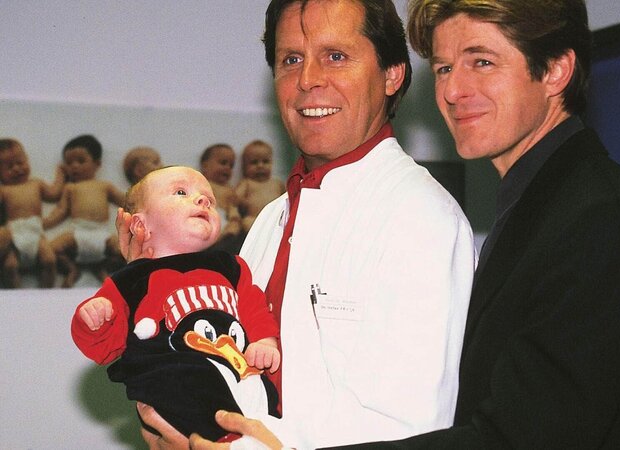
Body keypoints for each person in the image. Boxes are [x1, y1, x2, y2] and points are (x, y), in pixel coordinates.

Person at [188, 0, 620, 449]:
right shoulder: (540, 211)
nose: (454, 90)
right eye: (445, 68)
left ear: (556, 70)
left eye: (482, 62)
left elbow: (517, 439)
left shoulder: (599, 220)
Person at [130, 0, 474, 448]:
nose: (308, 79)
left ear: (393, 74)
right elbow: (223, 365)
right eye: (291, 60)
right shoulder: (271, 220)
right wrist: (145, 282)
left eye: (336, 56)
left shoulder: (422, 219)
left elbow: (410, 429)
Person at [71, 166, 281, 442]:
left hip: (236, 368)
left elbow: (254, 307)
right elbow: (103, 348)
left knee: (265, 394)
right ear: (140, 225)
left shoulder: (231, 266)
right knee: (185, 377)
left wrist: (265, 342)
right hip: (174, 376)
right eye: (181, 192)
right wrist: (93, 317)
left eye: (210, 200)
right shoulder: (130, 280)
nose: (203, 200)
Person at [45, 134, 127, 287]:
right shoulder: (70, 188)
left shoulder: (105, 186)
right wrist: (45, 223)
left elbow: (124, 200)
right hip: (77, 232)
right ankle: (71, 269)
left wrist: (141, 205)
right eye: (69, 163)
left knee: (128, 252)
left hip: (102, 233)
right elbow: (61, 210)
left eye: (81, 161)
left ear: (97, 164)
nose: (74, 166)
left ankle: (103, 267)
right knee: (50, 251)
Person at [0, 138, 65, 288]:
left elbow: (54, 194)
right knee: (9, 266)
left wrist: (61, 176)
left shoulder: (36, 184)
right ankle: (14, 294)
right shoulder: (4, 190)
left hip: (36, 232)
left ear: (27, 160)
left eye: (20, 163)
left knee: (49, 260)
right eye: (9, 167)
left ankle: (46, 292)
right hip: (14, 234)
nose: (17, 169)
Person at [235, 140, 285, 233]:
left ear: (272, 163)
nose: (260, 166)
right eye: (254, 162)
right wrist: (243, 203)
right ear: (244, 167)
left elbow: (288, 198)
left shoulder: (277, 183)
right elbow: (235, 199)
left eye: (265, 161)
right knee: (246, 222)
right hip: (255, 219)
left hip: (276, 219)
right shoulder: (247, 183)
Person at [200, 144, 243, 252]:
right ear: (205, 166)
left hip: (223, 220)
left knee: (234, 227)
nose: (227, 168)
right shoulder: (201, 182)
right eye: (223, 163)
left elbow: (233, 207)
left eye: (231, 166)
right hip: (206, 215)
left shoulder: (230, 189)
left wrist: (234, 217)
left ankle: (222, 240)